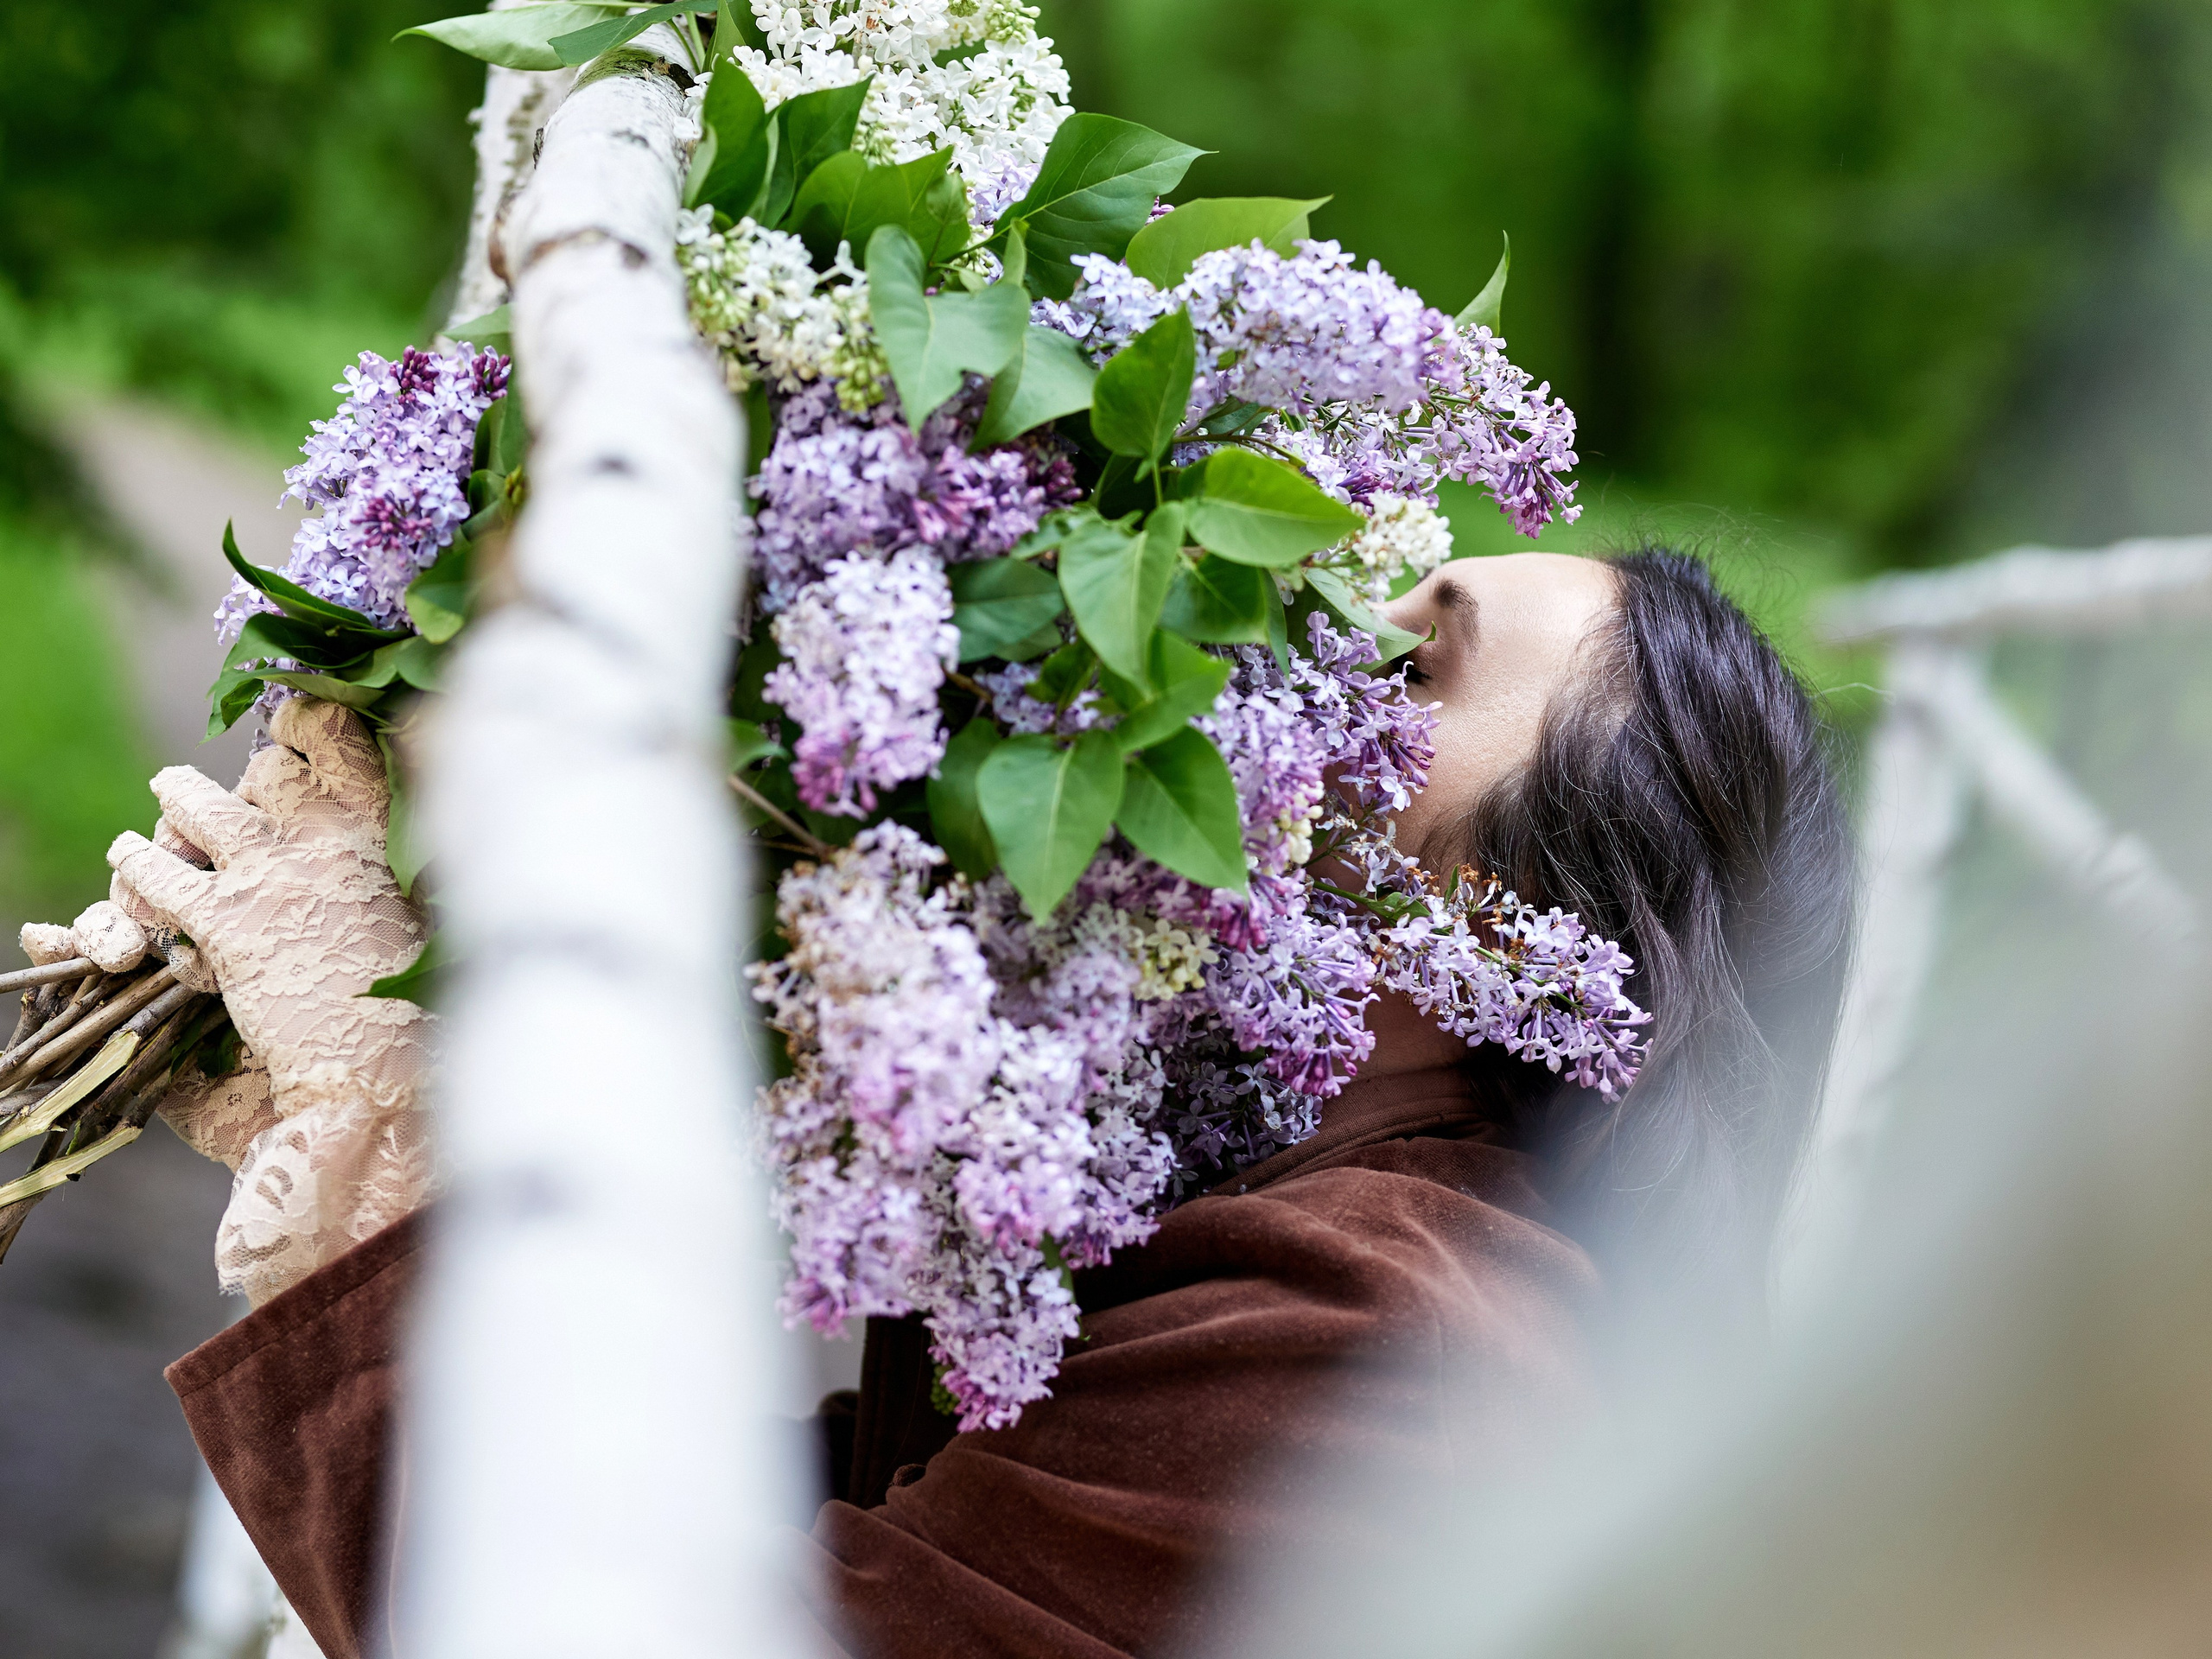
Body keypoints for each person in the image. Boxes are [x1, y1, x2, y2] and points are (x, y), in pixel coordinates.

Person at [63, 546, 1850, 1658]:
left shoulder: (1388, 1356)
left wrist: (378, 1159)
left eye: (1402, 667)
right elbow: (849, 1561)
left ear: (1516, 941)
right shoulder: (1272, 1193)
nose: (1269, 655)